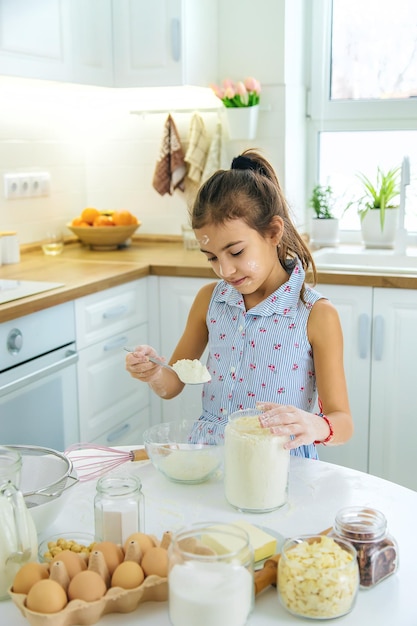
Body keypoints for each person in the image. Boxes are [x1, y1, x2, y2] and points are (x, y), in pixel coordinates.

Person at [126, 149, 353, 458]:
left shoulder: (316, 315)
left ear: (273, 233)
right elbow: (173, 384)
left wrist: (314, 426)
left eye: (235, 253)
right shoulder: (210, 301)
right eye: (212, 258)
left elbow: (342, 423)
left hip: (278, 462)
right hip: (209, 457)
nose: (225, 270)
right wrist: (153, 371)